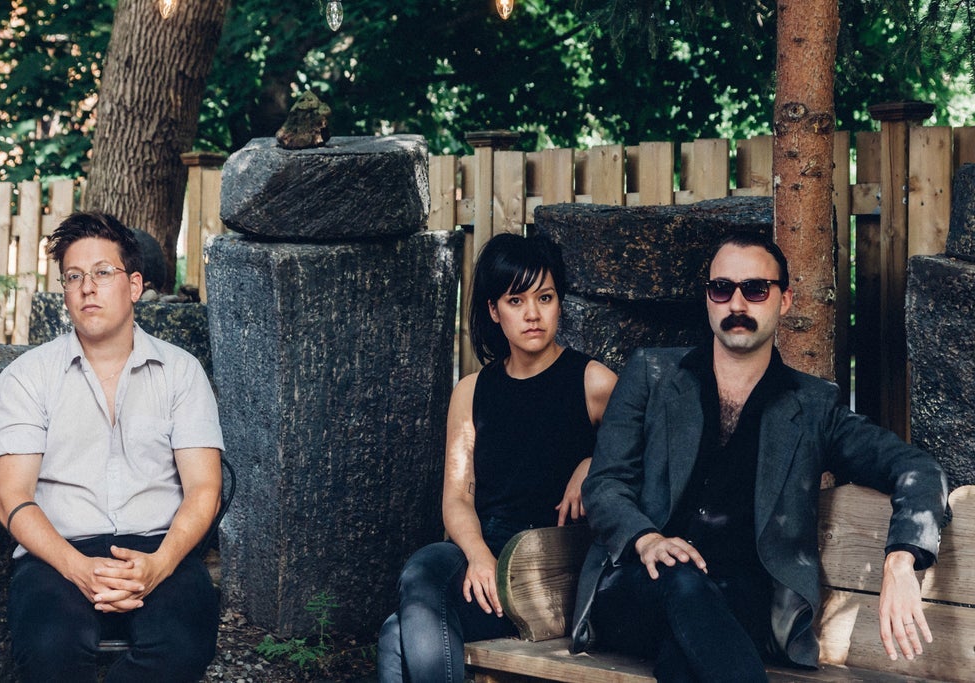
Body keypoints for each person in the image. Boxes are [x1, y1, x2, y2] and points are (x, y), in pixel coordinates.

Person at [570, 231, 949, 682]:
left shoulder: (813, 406)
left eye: (754, 289)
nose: (736, 303)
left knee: (684, 662)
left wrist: (901, 559)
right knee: (681, 579)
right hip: (638, 589)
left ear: (784, 300)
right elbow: (605, 483)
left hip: (739, 605)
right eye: (721, 288)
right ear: (708, 298)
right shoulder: (651, 374)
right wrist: (648, 539)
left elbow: (916, 468)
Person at [0, 211, 224, 682]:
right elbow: (10, 498)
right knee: (49, 649)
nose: (87, 288)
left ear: (134, 286)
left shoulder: (181, 372)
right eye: (74, 276)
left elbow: (204, 489)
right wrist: (78, 567)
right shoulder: (28, 377)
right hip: (58, 552)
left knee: (182, 644)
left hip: (161, 547)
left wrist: (159, 564)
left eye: (102, 272)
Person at [377, 232, 617, 683]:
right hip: (482, 560)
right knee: (419, 582)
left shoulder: (593, 382)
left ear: (559, 303)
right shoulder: (471, 391)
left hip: (546, 574)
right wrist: (479, 556)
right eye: (515, 300)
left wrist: (594, 464)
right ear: (493, 310)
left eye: (545, 297)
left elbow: (646, 450)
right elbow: (457, 499)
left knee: (398, 629)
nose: (532, 314)